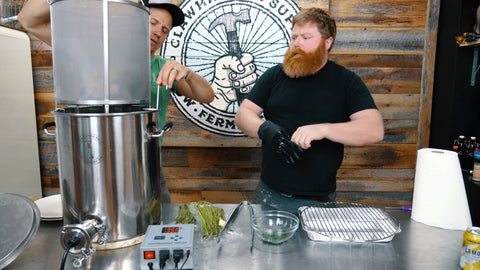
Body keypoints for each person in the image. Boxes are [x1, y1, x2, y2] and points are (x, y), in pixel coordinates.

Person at [18, 0, 215, 203]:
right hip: (95, 174)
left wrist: (188, 74)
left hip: (148, 171)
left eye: (164, 30)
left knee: (159, 227)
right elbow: (28, 20)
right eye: (153, 23)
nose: (158, 32)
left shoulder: (163, 68)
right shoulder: (96, 54)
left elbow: (207, 96)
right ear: (134, 18)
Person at [234, 8, 384, 214]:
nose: (296, 43)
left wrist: (323, 130)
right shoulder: (275, 75)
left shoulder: (346, 81)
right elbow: (242, 115)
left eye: (306, 37)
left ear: (327, 42)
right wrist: (266, 129)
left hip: (320, 202)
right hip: (269, 196)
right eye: (294, 37)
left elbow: (374, 130)